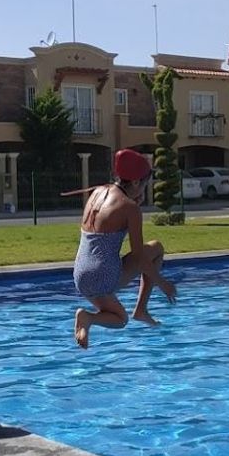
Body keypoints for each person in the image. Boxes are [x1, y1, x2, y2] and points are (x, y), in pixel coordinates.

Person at [73, 149, 177, 349]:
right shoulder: (130, 208)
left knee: (154, 248)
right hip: (103, 275)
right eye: (144, 185)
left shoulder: (97, 192)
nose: (144, 190)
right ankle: (93, 317)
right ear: (136, 182)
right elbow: (139, 259)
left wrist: (131, 202)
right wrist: (163, 283)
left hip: (80, 275)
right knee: (121, 319)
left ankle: (98, 316)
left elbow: (106, 221)